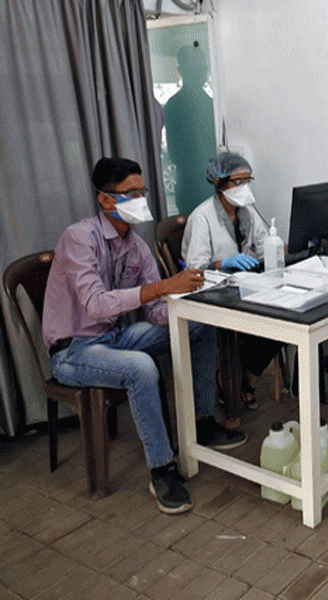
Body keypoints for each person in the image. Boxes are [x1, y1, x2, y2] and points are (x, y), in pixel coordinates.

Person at [43, 157, 246, 514]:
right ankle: (162, 469)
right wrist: (162, 288)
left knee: (198, 327)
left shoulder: (135, 245)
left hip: (116, 336)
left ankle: (202, 422)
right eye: (130, 194)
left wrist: (189, 303)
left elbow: (154, 310)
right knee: (141, 368)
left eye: (143, 191)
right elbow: (94, 305)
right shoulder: (79, 238)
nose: (141, 199)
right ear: (105, 200)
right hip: (75, 349)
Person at [181, 151, 283, 423]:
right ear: (219, 183)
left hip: (247, 287)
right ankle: (230, 384)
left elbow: (263, 245)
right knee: (258, 321)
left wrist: (274, 251)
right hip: (214, 293)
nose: (244, 188)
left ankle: (247, 379)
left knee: (281, 319)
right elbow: (194, 268)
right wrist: (223, 263)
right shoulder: (202, 217)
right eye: (237, 182)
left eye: (247, 181)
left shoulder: (247, 213)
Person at [164, 44, 216, 215]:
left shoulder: (212, 104)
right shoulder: (174, 106)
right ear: (182, 71)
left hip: (210, 186)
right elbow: (176, 153)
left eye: (203, 67)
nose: (201, 72)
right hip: (191, 189)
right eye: (196, 67)